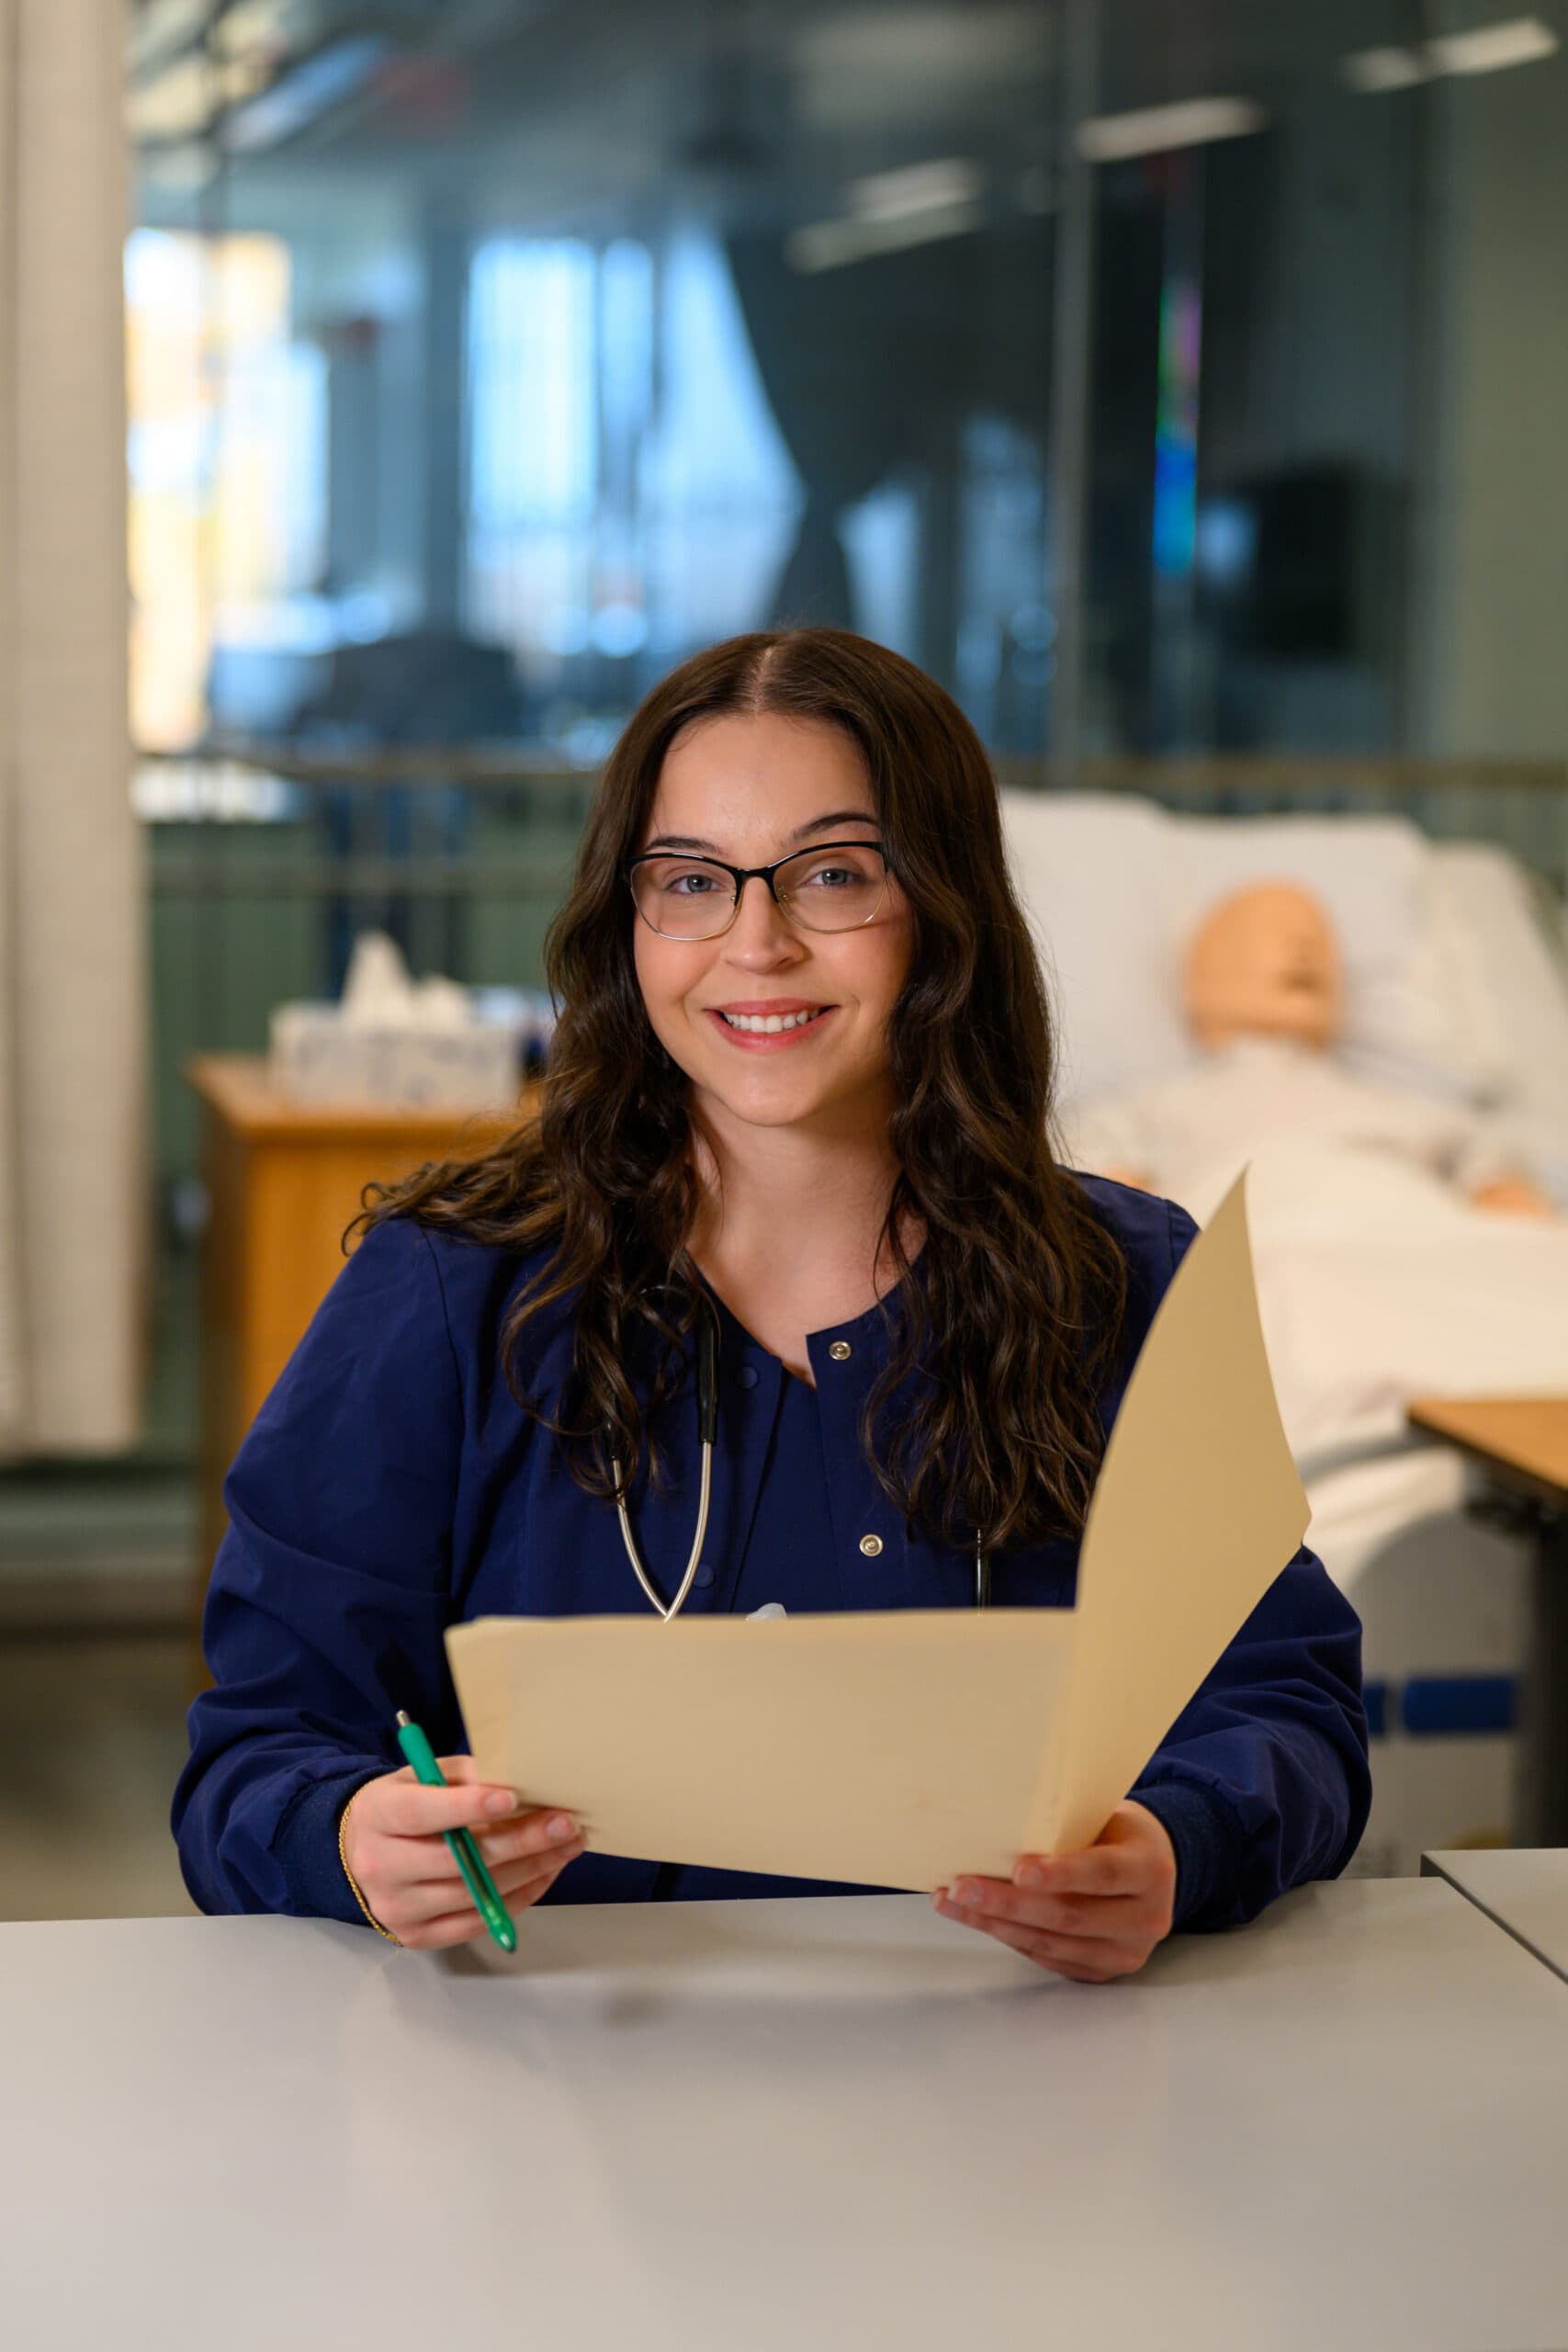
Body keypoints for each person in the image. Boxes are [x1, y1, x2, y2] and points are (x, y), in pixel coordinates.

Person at [174, 629, 1370, 1979]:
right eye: (690, 881)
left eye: (834, 876)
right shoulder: (447, 1290)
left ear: (942, 911)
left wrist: (1177, 1842)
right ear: (629, 924)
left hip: (1014, 2099)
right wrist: (349, 1836)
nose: (757, 942)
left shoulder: (1121, 1282)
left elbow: (1291, 1699)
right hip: (552, 2114)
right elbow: (251, 1758)